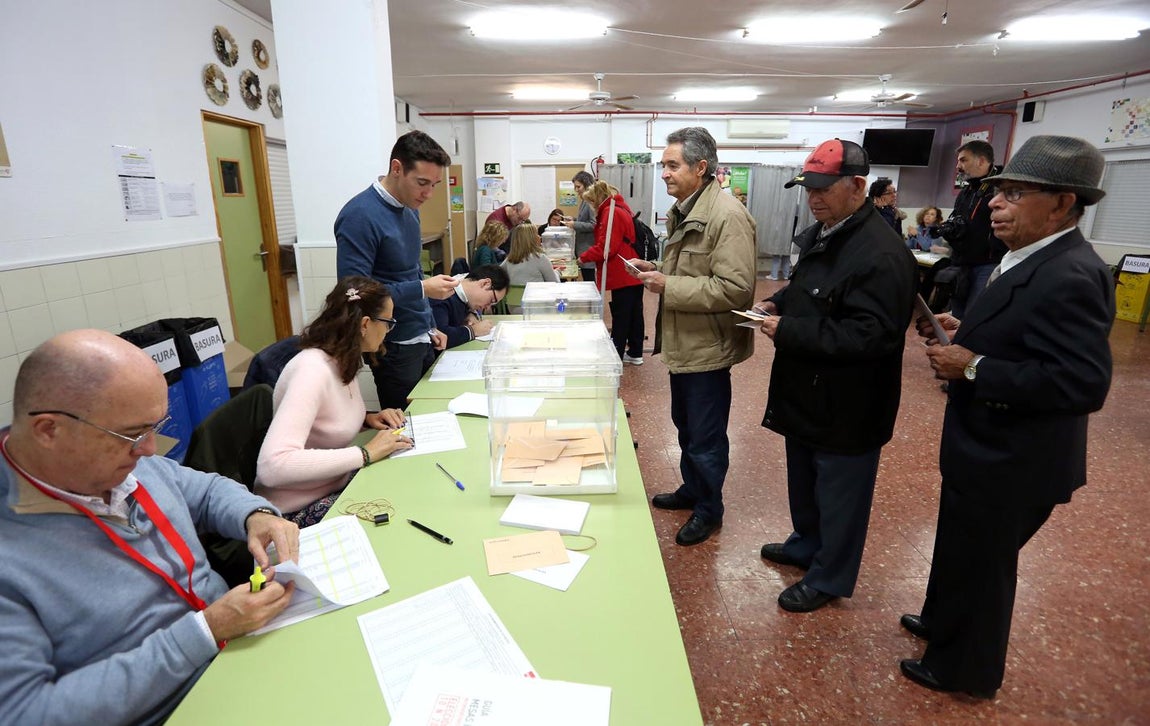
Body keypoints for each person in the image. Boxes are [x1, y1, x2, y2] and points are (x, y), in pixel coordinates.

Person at [900, 135, 1115, 699]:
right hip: (982, 446)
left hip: (1016, 458)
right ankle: (942, 622)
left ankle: (963, 670)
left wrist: (972, 367)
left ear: (1064, 203)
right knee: (959, 549)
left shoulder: (1071, 273)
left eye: (1014, 193)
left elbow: (1081, 382)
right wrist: (958, 326)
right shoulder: (1022, 258)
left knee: (985, 568)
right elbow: (1019, 334)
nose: (994, 204)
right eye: (997, 192)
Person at [0, 329, 299, 724]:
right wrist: (204, 632)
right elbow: (28, 713)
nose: (148, 449)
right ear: (49, 430)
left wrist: (254, 514)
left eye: (153, 427)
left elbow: (206, 490)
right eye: (131, 434)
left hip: (236, 649)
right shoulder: (13, 556)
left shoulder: (124, 463)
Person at [755, 138, 917, 613]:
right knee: (804, 482)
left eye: (825, 188)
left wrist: (788, 330)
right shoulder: (830, 232)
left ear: (858, 186)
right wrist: (776, 303)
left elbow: (871, 338)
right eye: (809, 188)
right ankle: (806, 544)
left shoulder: (881, 254)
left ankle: (830, 576)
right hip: (808, 391)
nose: (815, 197)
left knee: (841, 494)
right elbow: (809, 289)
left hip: (850, 403)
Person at [629, 127, 756, 547]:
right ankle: (693, 489)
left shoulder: (727, 216)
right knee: (685, 426)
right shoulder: (684, 209)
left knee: (705, 436)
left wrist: (669, 286)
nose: (663, 173)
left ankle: (709, 509)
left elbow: (736, 290)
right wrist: (652, 267)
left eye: (672, 165)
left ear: (701, 168)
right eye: (662, 165)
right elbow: (688, 268)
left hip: (708, 346)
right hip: (685, 341)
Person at [255, 277, 413, 527]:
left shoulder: (342, 358)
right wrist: (364, 453)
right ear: (365, 324)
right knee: (398, 517)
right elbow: (271, 466)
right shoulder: (312, 370)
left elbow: (325, 417)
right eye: (388, 323)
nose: (388, 331)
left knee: (405, 488)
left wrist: (367, 418)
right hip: (294, 510)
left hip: (332, 484)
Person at [334, 130, 459, 410]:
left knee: (433, 415)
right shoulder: (360, 216)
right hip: (393, 343)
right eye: (422, 183)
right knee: (406, 429)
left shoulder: (409, 206)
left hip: (422, 335)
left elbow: (409, 270)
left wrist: (429, 324)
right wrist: (423, 289)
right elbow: (353, 292)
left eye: (435, 184)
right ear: (396, 169)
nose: (428, 194)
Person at [578, 180, 645, 364]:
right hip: (632, 270)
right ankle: (635, 352)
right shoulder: (619, 207)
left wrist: (583, 257)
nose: (591, 207)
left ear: (597, 199)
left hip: (622, 271)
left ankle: (615, 354)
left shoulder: (611, 212)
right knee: (633, 314)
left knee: (622, 315)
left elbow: (606, 248)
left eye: (591, 202)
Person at [940, 139, 1005, 318]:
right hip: (961, 264)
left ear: (981, 161)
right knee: (956, 317)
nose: (958, 166)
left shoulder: (1000, 189)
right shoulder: (967, 191)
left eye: (963, 160)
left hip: (987, 264)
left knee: (973, 318)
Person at [430, 264, 510, 348]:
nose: (487, 307)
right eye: (491, 300)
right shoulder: (443, 294)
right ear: (485, 283)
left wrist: (471, 314)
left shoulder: (465, 299)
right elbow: (440, 336)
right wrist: (473, 331)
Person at [565, 171, 598, 282]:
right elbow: (585, 220)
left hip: (588, 248)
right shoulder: (584, 200)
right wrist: (574, 219)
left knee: (589, 281)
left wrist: (575, 224)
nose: (576, 190)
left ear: (587, 185)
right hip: (582, 248)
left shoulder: (590, 201)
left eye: (578, 186)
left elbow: (594, 224)